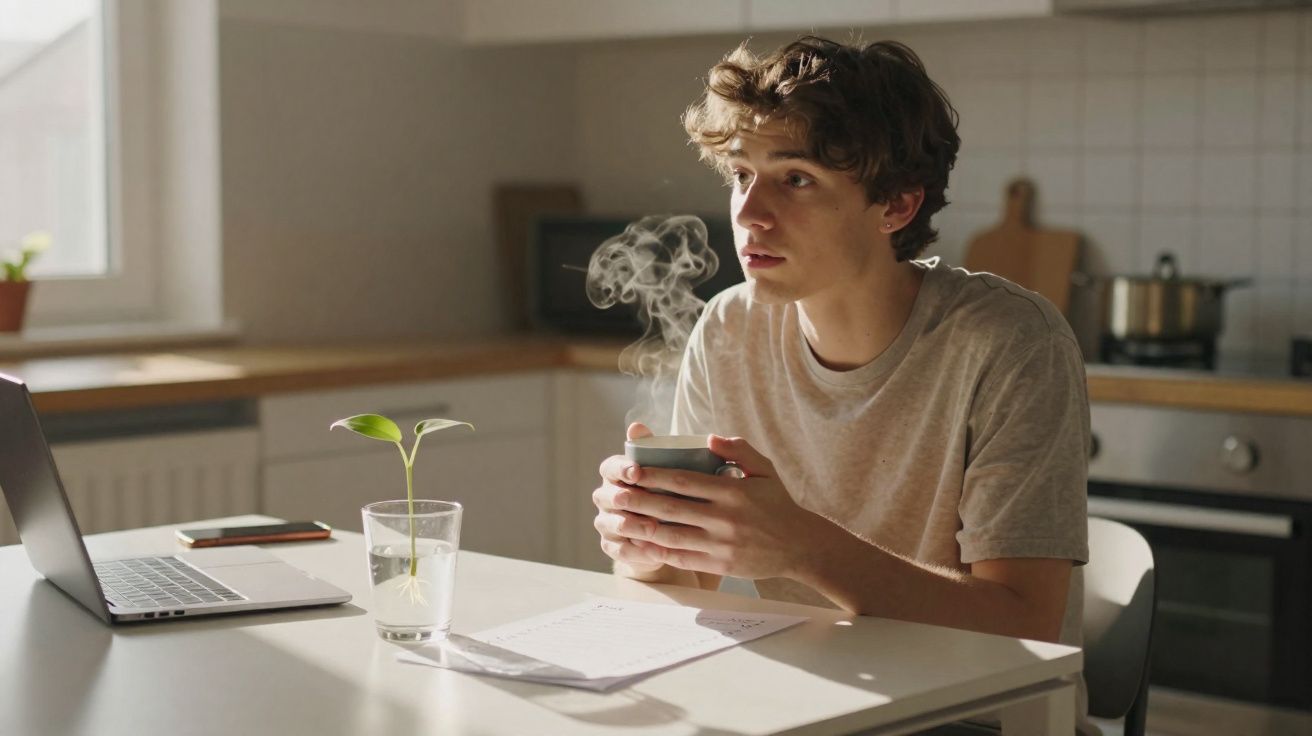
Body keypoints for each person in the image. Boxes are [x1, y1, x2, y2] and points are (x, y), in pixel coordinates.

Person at [591, 36, 1093, 734]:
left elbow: (1024, 625)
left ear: (896, 206)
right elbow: (689, 585)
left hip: (977, 721)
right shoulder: (728, 328)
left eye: (796, 178)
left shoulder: (1011, 342)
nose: (749, 212)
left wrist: (802, 546)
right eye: (741, 174)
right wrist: (647, 546)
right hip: (807, 709)